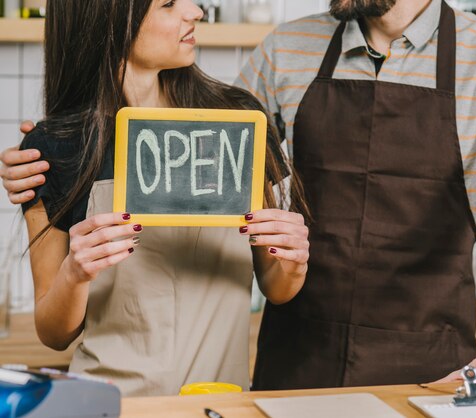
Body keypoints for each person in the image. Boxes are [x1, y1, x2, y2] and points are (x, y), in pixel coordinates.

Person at [1, 0, 476, 400]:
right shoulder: (284, 52)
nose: (196, 11)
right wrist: (51, 158)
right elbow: (202, 155)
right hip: (290, 365)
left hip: (431, 365)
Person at [2, 0, 310, 397]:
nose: (195, 11)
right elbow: (53, 333)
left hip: (220, 402)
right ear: (109, 19)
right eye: (168, 3)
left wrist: (293, 259)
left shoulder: (237, 119)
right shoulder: (54, 147)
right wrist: (74, 274)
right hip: (112, 403)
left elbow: (277, 286)